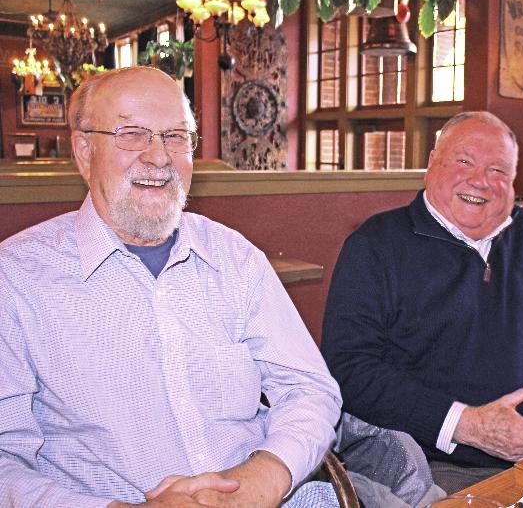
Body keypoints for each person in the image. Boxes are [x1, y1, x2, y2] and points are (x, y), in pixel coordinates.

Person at [0, 67, 342, 508]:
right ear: (84, 151)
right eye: (133, 134)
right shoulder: (16, 278)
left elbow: (309, 389)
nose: (159, 158)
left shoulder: (235, 258)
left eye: (176, 136)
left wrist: (265, 476)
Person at [321, 111, 523, 497]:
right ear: (432, 163)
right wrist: (468, 425)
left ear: (513, 183)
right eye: (464, 161)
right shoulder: (376, 245)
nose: (480, 181)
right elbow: (349, 369)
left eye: (498, 170)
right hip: (434, 466)